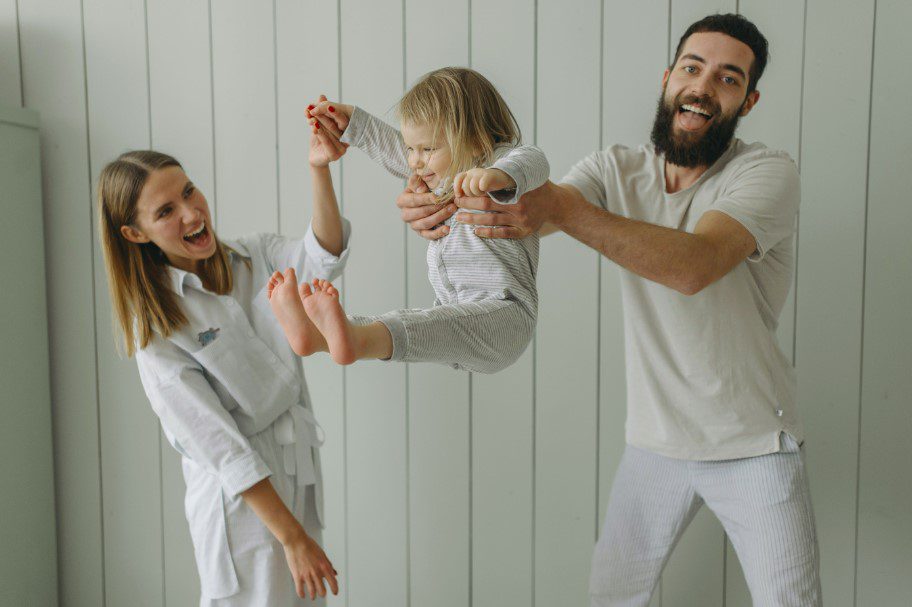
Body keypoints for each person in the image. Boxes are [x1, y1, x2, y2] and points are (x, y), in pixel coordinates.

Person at [384, 14, 822, 607]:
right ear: (669, 79)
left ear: (748, 99)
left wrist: (560, 211)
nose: (703, 87)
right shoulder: (616, 168)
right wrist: (436, 198)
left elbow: (694, 265)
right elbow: (528, 206)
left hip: (754, 445)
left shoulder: (766, 172)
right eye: (692, 69)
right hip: (654, 445)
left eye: (728, 78)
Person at [96, 122, 348, 606]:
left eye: (189, 191)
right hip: (245, 508)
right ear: (135, 232)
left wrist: (319, 170)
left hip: (297, 475)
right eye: (166, 211)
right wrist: (291, 537)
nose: (192, 213)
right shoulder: (155, 331)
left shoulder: (253, 257)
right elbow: (222, 448)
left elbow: (324, 256)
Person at [269, 67, 549, 374]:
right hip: (452, 310)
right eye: (410, 148)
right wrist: (352, 123)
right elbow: (392, 148)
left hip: (506, 314)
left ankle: (351, 339)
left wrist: (498, 175)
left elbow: (534, 160)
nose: (415, 161)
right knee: (415, 324)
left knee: (425, 325)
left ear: (476, 140)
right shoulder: (442, 173)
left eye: (427, 149)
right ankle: (320, 335)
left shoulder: (495, 162)